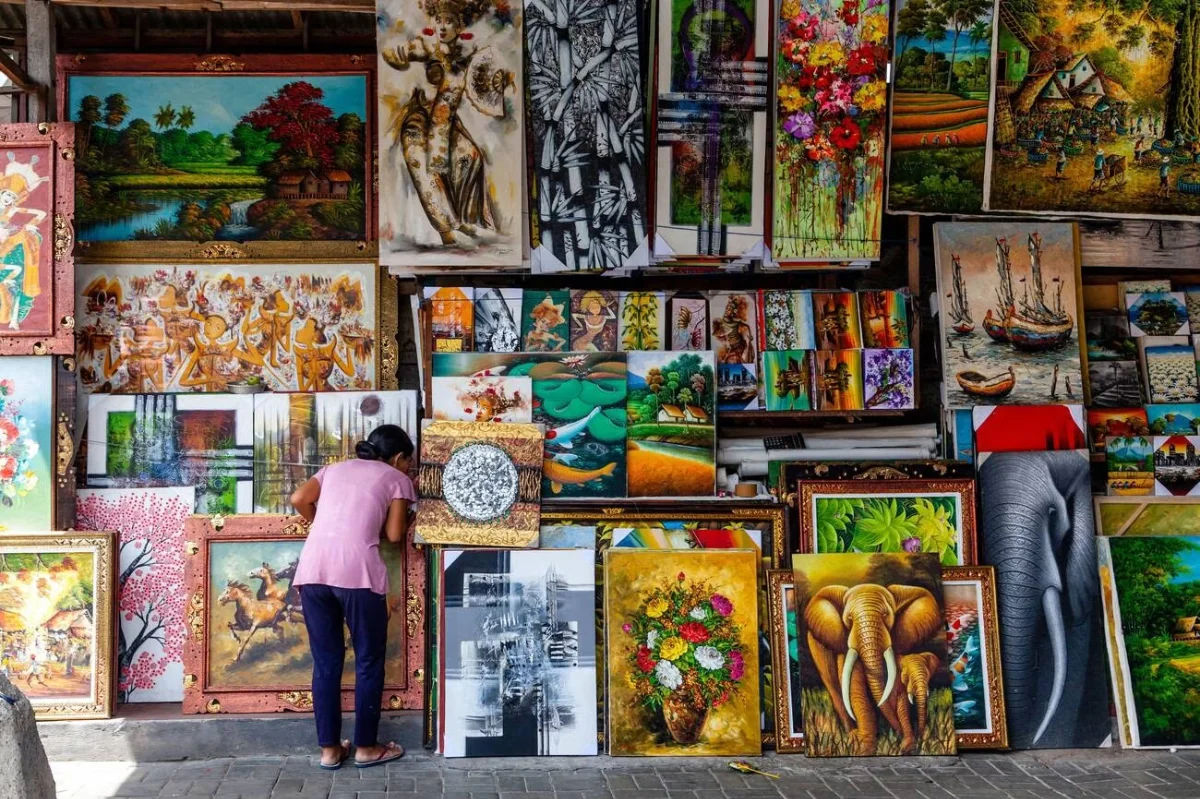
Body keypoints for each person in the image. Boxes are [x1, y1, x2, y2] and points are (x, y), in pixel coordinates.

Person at [290, 424, 416, 770]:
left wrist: (322, 527)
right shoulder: (396, 478)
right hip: (357, 575)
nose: (408, 470)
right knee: (368, 661)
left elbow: (299, 499)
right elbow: (393, 535)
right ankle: (365, 748)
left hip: (313, 570)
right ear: (399, 457)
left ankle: (330, 751)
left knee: (326, 662)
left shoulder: (333, 469)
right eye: (408, 462)